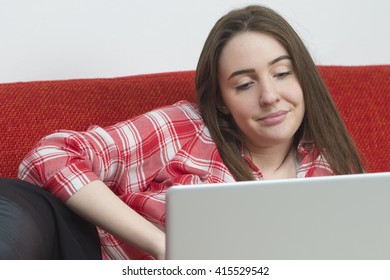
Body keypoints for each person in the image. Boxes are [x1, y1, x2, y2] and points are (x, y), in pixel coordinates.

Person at [0, 5, 364, 260]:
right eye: (244, 84)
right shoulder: (186, 128)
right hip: (82, 252)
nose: (269, 96)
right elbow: (51, 156)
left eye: (282, 73)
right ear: (221, 101)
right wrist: (160, 243)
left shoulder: (333, 174)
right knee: (12, 209)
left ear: (304, 78)